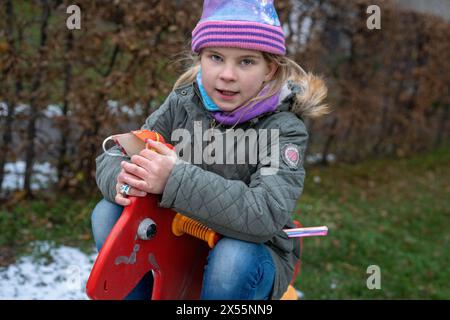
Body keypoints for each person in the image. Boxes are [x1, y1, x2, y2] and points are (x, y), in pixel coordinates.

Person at [91, 0, 329, 300]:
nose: (227, 74)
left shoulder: (284, 129)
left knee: (233, 258)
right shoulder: (183, 103)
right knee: (107, 213)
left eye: (246, 62)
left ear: (269, 69)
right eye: (216, 57)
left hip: (250, 251)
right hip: (181, 234)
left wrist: (174, 178)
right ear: (200, 58)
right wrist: (125, 178)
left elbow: (264, 214)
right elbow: (119, 153)